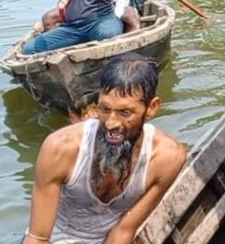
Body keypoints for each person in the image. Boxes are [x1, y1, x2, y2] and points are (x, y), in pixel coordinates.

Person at [23, 54, 186, 244]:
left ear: (152, 108)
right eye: (105, 109)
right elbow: (38, 238)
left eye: (125, 112)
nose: (110, 124)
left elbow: (123, 231)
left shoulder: (167, 158)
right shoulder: (60, 148)